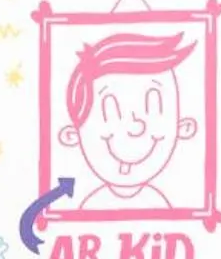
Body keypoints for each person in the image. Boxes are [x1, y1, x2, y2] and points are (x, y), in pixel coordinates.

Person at [56, 30, 200, 212]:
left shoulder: (159, 204)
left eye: (154, 105)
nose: (136, 127)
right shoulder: (92, 206)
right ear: (73, 135)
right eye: (109, 111)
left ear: (182, 128)